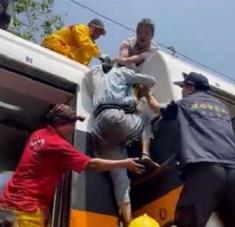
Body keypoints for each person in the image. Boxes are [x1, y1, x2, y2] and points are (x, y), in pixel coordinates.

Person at [0, 104, 144, 227]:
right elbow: (91, 164)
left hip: (7, 203)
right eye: (71, 123)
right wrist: (124, 163)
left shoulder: (37, 135)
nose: (72, 127)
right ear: (61, 123)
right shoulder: (58, 145)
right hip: (26, 211)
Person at [143, 72, 235, 227]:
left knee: (186, 223)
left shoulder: (184, 104)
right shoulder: (224, 108)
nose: (181, 91)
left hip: (205, 170)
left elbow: (157, 109)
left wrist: (147, 95)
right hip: (233, 171)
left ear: (191, 88)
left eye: (183, 87)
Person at [85, 63, 156, 226]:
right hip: (115, 118)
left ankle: (127, 220)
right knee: (144, 119)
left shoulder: (100, 81)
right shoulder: (122, 72)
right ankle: (145, 155)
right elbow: (151, 80)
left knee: (121, 177)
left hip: (99, 130)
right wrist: (139, 83)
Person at [117, 18, 158, 163]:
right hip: (122, 80)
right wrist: (128, 64)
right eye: (140, 32)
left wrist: (129, 63)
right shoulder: (127, 42)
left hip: (137, 85)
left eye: (147, 33)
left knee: (142, 117)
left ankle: (145, 154)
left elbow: (138, 57)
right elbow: (122, 58)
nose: (143, 35)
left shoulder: (153, 50)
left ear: (151, 36)